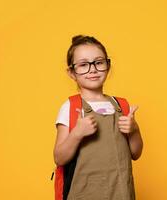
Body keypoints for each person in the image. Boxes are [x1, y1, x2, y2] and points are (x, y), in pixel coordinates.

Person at [53, 35, 143, 200]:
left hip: (121, 193)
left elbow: (135, 153)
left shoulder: (121, 106)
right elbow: (59, 158)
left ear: (108, 65)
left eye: (98, 62)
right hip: (84, 194)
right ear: (72, 72)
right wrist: (77, 133)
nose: (92, 69)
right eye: (83, 65)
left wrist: (134, 130)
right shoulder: (71, 108)